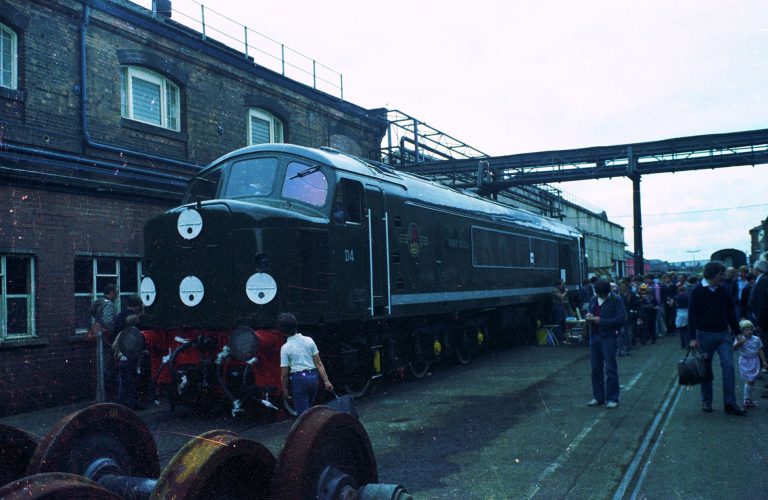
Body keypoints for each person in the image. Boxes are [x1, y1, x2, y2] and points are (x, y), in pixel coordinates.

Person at [688, 261, 744, 415]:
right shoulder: (697, 291)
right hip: (704, 335)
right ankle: (707, 401)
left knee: (728, 367)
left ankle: (730, 403)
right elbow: (691, 316)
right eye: (721, 274)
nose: (723, 276)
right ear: (712, 274)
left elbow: (731, 312)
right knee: (706, 370)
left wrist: (737, 332)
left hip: (723, 334)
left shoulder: (723, 289)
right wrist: (692, 338)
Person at [278, 312, 334, 416]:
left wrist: (285, 389)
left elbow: (284, 374)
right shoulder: (309, 340)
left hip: (299, 379)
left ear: (282, 332)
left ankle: (309, 430)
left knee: (303, 414)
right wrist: (326, 381)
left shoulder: (285, 348)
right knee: (310, 408)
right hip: (313, 377)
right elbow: (319, 363)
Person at [586, 280, 626, 409]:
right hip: (594, 337)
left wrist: (601, 321)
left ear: (608, 292)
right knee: (595, 369)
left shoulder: (616, 300)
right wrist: (588, 316)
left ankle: (613, 398)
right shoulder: (593, 299)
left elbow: (620, 319)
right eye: (598, 294)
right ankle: (598, 397)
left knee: (610, 368)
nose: (600, 296)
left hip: (608, 338)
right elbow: (590, 311)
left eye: (602, 294)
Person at [112, 294, 143, 410]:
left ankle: (122, 403)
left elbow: (114, 339)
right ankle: (132, 404)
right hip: (132, 355)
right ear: (136, 306)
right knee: (132, 380)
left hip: (120, 354)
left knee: (123, 380)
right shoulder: (134, 320)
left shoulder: (120, 316)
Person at [91, 283, 118, 399]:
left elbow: (91, 311)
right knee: (108, 366)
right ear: (111, 292)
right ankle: (108, 395)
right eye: (115, 292)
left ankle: (103, 394)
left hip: (99, 338)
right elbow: (108, 322)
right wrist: (113, 332)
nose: (117, 295)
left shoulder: (99, 302)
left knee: (102, 366)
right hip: (107, 339)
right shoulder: (109, 304)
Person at [732, 320, 767, 409]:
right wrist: (740, 343)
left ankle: (749, 399)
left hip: (755, 360)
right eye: (746, 330)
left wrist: (764, 361)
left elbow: (760, 350)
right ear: (742, 331)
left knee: (752, 380)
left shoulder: (756, 339)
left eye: (750, 329)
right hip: (745, 361)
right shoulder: (740, 338)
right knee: (750, 380)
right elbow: (734, 347)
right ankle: (746, 399)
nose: (749, 331)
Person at [618, 280, 639, 356]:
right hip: (620, 317)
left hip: (630, 317)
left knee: (629, 334)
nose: (622, 288)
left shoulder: (632, 295)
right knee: (620, 334)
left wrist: (635, 314)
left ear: (627, 287)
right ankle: (621, 350)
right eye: (621, 286)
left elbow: (636, 305)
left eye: (623, 286)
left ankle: (628, 349)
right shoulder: (618, 295)